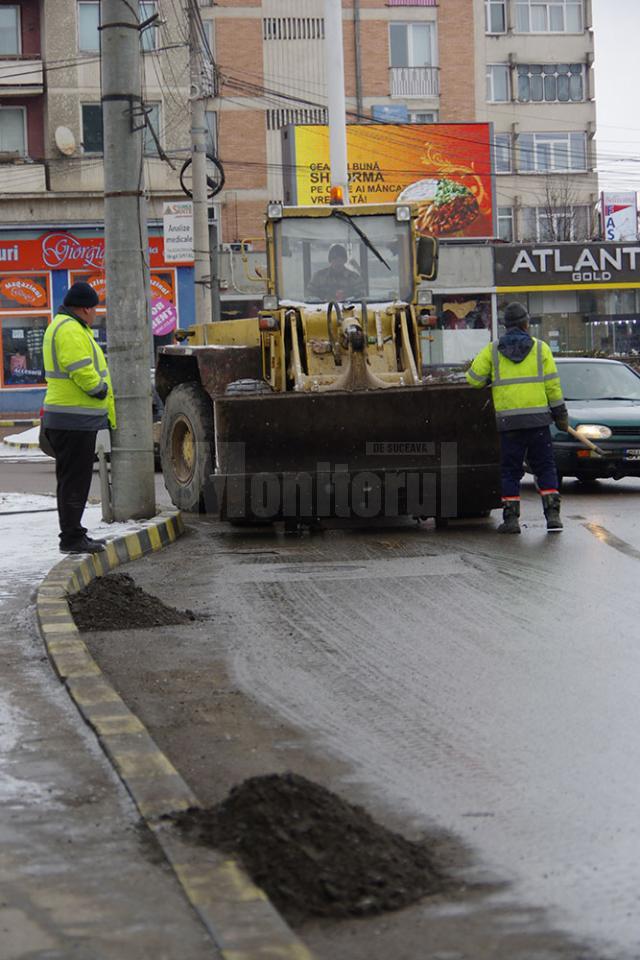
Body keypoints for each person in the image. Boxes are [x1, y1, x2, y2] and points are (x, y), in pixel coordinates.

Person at [466, 301, 568, 534]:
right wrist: (560, 415)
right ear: (526, 323)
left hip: (509, 424)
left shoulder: (492, 350)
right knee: (545, 468)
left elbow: (472, 379)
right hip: (538, 423)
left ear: (505, 325)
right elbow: (553, 387)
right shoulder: (542, 349)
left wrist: (488, 378)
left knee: (510, 471)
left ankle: (511, 520)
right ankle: (553, 516)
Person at [42, 281, 116, 554]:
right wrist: (100, 389)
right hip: (73, 421)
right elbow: (80, 369)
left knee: (72, 480)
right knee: (75, 482)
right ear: (85, 309)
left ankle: (74, 533)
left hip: (69, 420)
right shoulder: (70, 330)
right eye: (95, 308)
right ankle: (72, 538)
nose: (96, 313)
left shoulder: (65, 326)